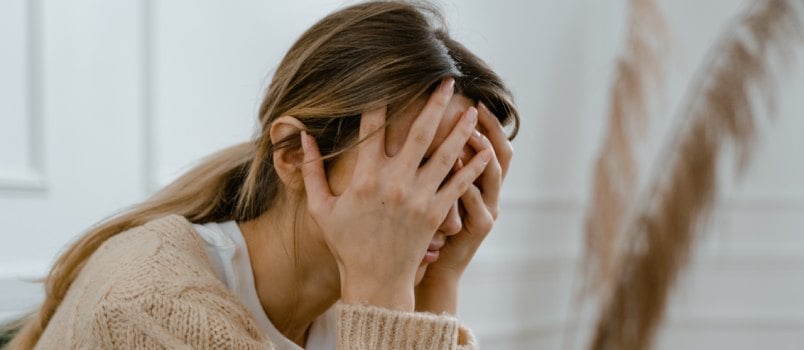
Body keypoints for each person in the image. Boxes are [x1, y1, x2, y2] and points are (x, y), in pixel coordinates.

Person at [3, 1, 519, 349]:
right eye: (418, 170)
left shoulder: (358, 300)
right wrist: (390, 296)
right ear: (294, 154)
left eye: (465, 179)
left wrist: (439, 285)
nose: (448, 217)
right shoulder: (152, 309)